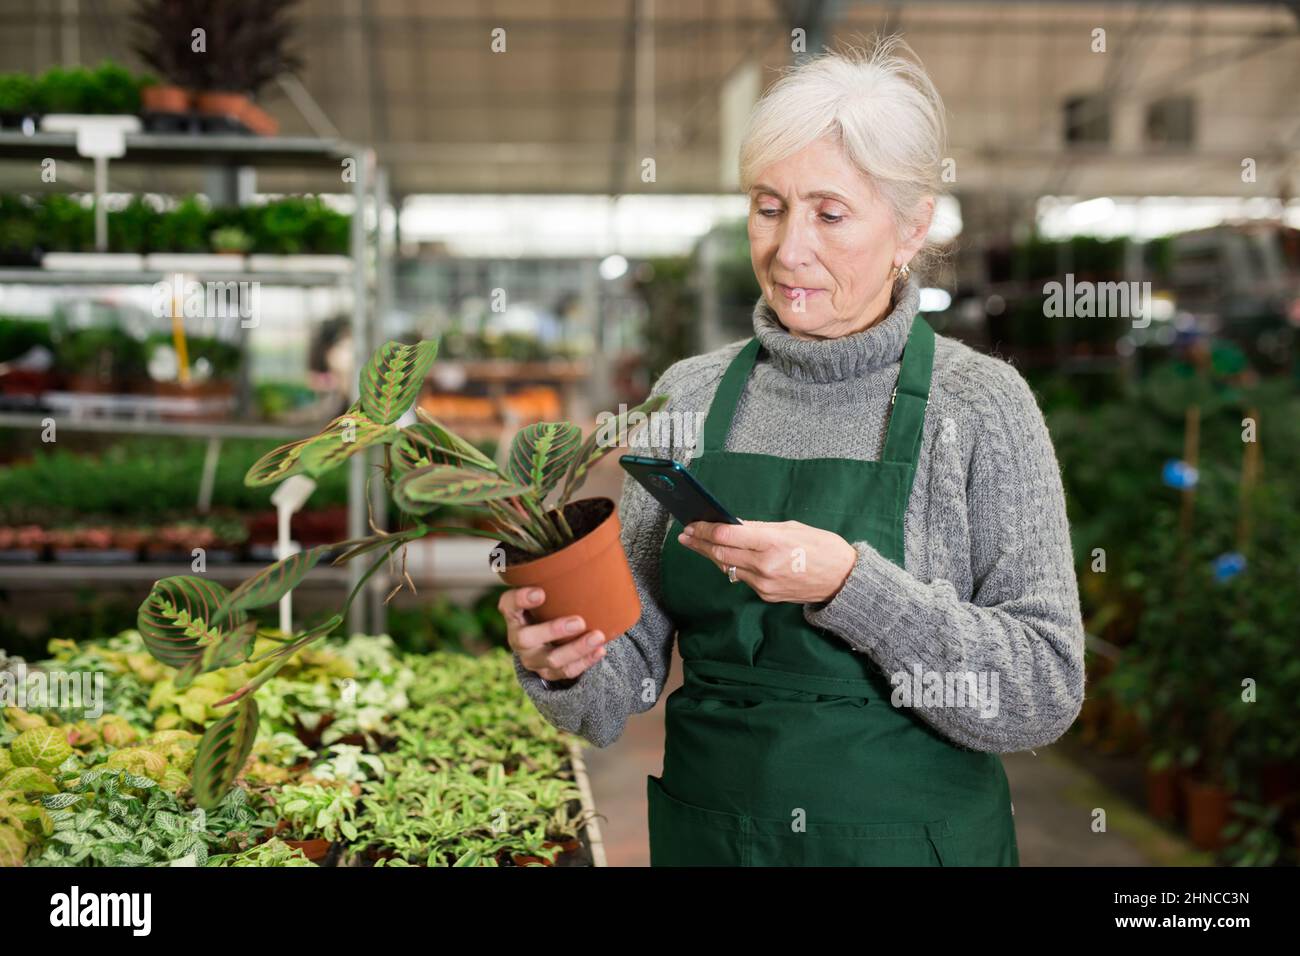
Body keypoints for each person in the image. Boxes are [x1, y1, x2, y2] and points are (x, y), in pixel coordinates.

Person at [499, 35, 1085, 866]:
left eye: (830, 212)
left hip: (912, 846)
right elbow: (623, 683)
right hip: (717, 839)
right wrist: (563, 661)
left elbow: (1043, 692)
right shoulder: (691, 397)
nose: (788, 249)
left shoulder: (982, 407)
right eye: (768, 206)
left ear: (912, 226)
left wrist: (852, 585)